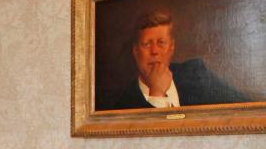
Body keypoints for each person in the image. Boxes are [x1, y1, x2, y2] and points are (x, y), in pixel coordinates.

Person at [104, 8, 250, 110]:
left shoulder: (195, 74)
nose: (154, 51)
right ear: (135, 51)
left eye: (161, 43)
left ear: (171, 48)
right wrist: (156, 93)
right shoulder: (122, 102)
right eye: (147, 44)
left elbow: (246, 107)